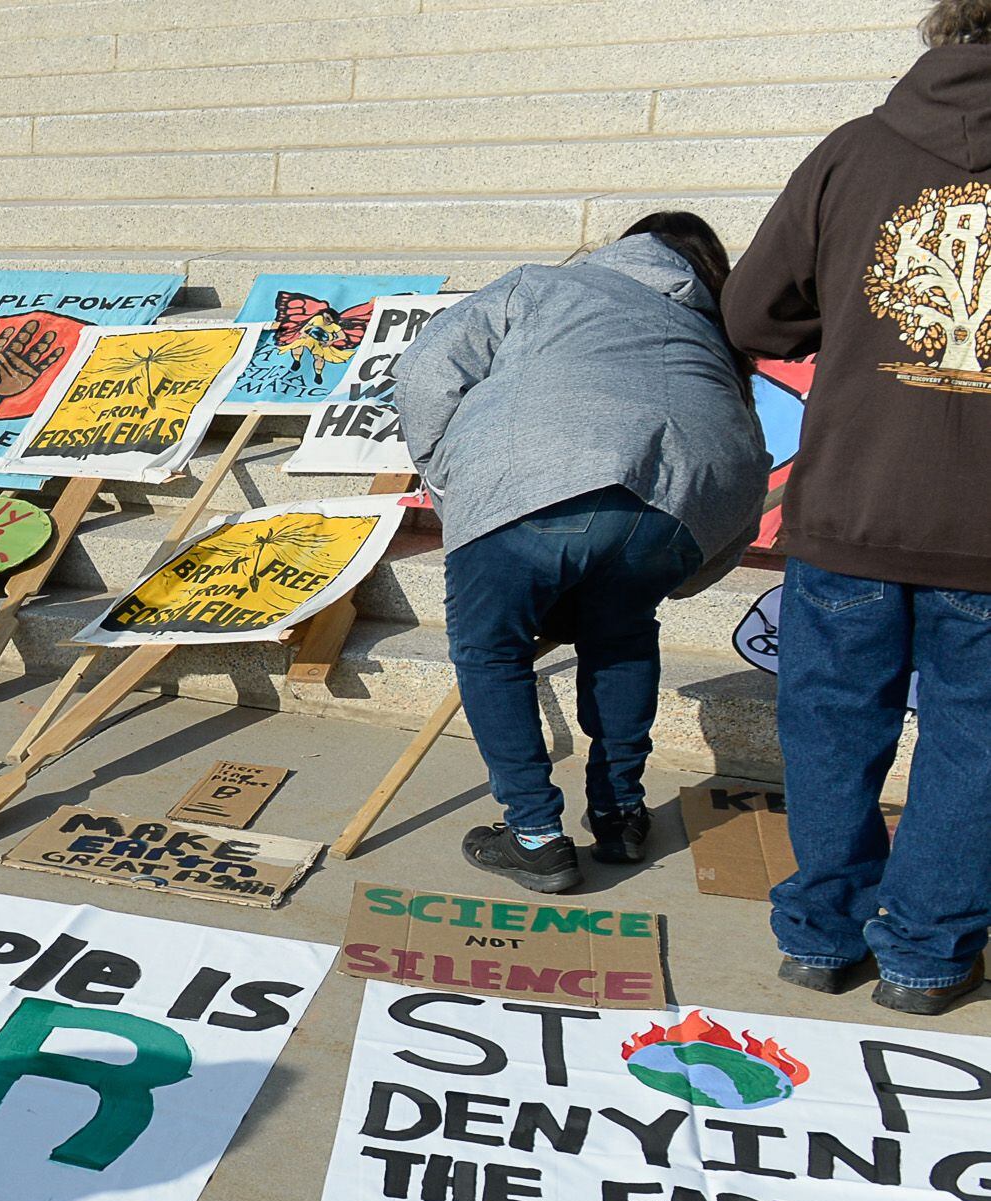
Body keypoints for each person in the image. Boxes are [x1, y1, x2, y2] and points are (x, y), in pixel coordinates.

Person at [725, 0, 991, 1017]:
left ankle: (823, 936)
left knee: (831, 725)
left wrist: (852, 314)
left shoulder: (852, 153)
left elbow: (752, 310)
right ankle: (924, 957)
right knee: (974, 736)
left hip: (855, 500)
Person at [396, 214, 768, 894]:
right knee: (621, 633)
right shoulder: (709, 334)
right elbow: (746, 454)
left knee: (490, 651)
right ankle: (621, 814)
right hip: (685, 503)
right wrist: (686, 568)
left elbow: (427, 368)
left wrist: (448, 474)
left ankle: (536, 838)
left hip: (534, 470)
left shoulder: (543, 285)